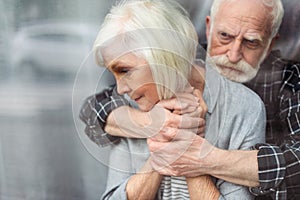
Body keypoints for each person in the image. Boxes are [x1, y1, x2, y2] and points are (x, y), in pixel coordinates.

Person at [79, 0, 300, 199]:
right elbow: (93, 110)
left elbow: (295, 164)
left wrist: (193, 153)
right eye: (224, 36)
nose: (233, 55)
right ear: (208, 27)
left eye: (251, 42)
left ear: (270, 44)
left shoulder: (266, 93)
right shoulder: (138, 94)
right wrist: (157, 127)